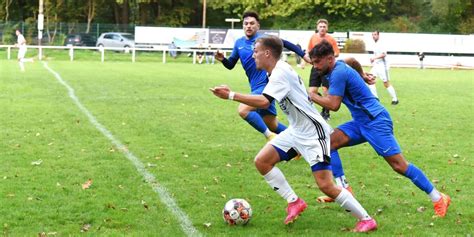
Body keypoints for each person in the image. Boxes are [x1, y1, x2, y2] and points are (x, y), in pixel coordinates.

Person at [210, 36, 377, 232]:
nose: (252, 54)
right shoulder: (276, 71)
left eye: (256, 51)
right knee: (262, 161)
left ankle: (366, 219)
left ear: (267, 53)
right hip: (296, 131)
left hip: (314, 134)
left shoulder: (280, 72)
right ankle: (294, 201)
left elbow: (265, 102)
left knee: (326, 185)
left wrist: (231, 95)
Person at [308, 40, 451, 218]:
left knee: (399, 165)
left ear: (330, 59)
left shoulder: (338, 73)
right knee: (329, 143)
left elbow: (333, 104)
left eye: (317, 62)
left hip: (375, 121)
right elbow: (352, 60)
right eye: (313, 62)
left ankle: (438, 198)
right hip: (361, 121)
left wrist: (312, 95)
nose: (315, 67)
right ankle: (344, 190)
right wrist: (363, 75)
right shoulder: (340, 65)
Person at [214, 11, 309, 140]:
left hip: (267, 84)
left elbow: (285, 43)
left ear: (258, 26)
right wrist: (223, 59)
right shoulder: (239, 43)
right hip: (254, 86)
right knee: (272, 124)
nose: (248, 26)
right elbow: (231, 65)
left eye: (252, 23)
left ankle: (270, 137)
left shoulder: (264, 40)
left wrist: (303, 55)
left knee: (243, 110)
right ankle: (299, 143)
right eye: (246, 24)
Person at [306, 19, 340, 121]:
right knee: (312, 92)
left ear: (327, 28)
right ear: (317, 28)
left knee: (326, 91)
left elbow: (337, 53)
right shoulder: (313, 38)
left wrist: (325, 57)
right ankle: (322, 104)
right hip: (315, 68)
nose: (322, 28)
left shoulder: (330, 39)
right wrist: (305, 61)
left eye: (324, 27)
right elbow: (308, 51)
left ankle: (326, 112)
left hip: (327, 68)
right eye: (320, 26)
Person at [369, 31, 399, 105]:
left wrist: (374, 58)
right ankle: (375, 98)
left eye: (375, 34)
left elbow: (384, 54)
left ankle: (395, 99)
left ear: (378, 35)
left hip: (383, 66)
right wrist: (374, 60)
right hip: (376, 66)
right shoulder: (375, 44)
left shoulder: (381, 43)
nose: (373, 36)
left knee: (386, 83)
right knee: (370, 79)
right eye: (372, 35)